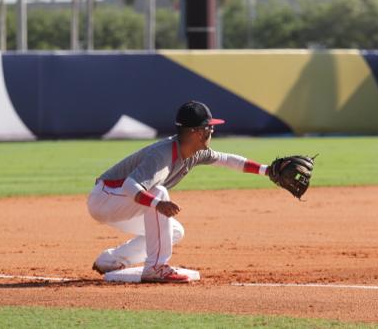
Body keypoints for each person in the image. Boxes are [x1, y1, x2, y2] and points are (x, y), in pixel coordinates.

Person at [87, 100, 270, 283]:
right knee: (158, 192)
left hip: (122, 202)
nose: (211, 132)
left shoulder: (195, 152)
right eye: (209, 128)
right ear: (197, 132)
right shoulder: (162, 153)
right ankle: (156, 268)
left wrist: (268, 170)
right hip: (106, 198)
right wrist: (158, 204)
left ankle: (110, 261)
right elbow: (129, 185)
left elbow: (227, 159)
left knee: (174, 231)